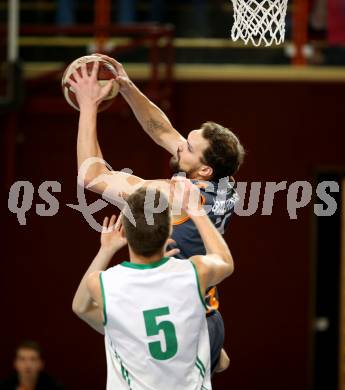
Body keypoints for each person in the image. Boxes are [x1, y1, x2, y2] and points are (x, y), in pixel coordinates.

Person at [68, 55, 244, 373]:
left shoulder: (172, 195)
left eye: (188, 148)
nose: (179, 146)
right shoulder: (224, 179)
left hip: (179, 321)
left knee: (89, 310)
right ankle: (216, 356)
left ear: (203, 169)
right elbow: (164, 131)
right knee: (214, 363)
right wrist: (127, 86)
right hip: (210, 316)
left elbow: (90, 177)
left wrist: (88, 106)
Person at [72, 183, 234, 389]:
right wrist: (197, 211)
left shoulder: (104, 284)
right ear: (169, 233)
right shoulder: (193, 274)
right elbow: (224, 261)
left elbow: (80, 307)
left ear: (127, 233)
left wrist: (106, 250)